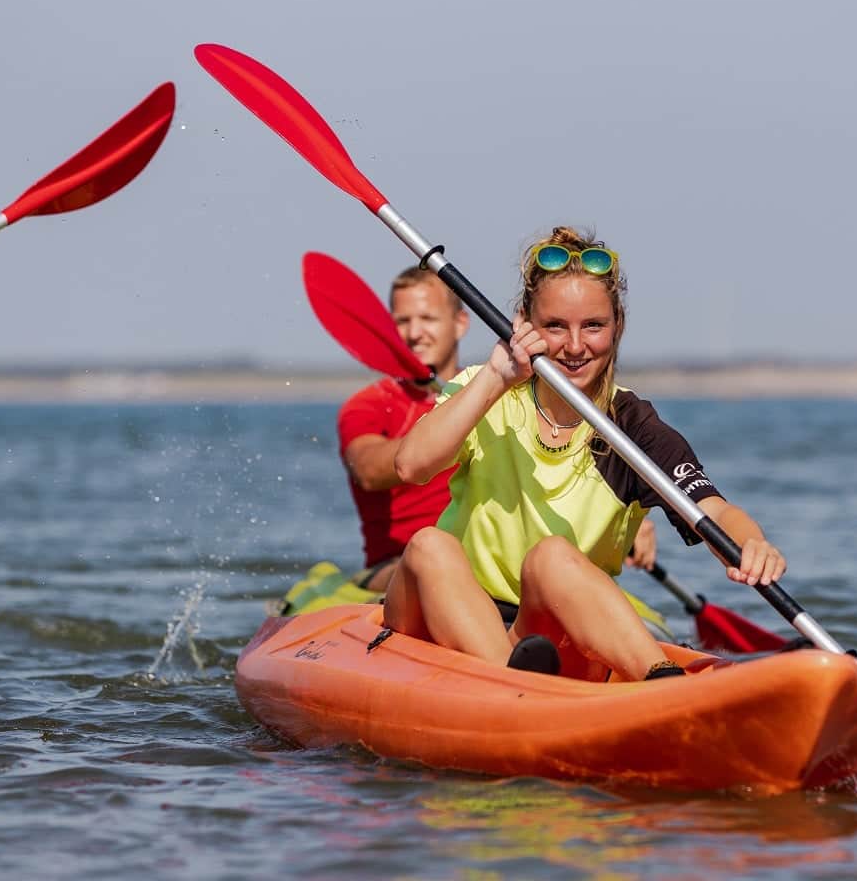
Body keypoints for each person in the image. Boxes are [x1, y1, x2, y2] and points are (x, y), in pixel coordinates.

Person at [387, 227, 787, 681]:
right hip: (446, 617)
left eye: (593, 326)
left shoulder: (633, 427)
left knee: (552, 556)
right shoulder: (486, 390)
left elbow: (713, 510)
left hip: (544, 632)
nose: (575, 347)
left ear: (617, 326)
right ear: (524, 324)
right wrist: (498, 376)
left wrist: (751, 544)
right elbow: (411, 465)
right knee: (429, 546)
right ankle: (513, 689)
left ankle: (662, 684)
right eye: (555, 326)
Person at [336, 266, 468, 592]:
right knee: (431, 563)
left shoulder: (490, 393)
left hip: (482, 559)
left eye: (428, 319)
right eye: (402, 321)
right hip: (396, 566)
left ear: (460, 324)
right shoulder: (369, 404)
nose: (415, 333)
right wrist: (448, 431)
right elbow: (367, 469)